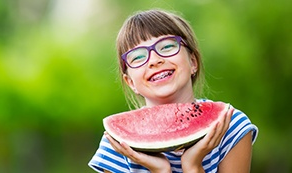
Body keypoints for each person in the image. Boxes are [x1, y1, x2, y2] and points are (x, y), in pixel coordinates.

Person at [88, 9, 258, 173]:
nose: (154, 60)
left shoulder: (230, 126)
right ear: (130, 82)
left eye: (167, 47)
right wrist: (160, 171)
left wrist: (193, 166)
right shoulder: (118, 145)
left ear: (193, 62)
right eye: (138, 57)